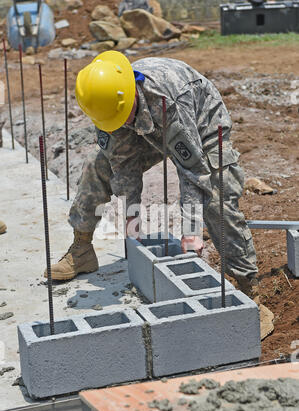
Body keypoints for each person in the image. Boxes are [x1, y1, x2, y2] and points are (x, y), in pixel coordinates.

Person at [45, 51, 274, 339]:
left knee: (216, 197)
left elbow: (192, 171)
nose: (120, 124)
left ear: (128, 97)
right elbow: (124, 168)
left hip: (201, 123)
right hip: (148, 124)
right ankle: (81, 248)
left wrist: (191, 231)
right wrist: (132, 224)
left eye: (122, 117)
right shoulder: (105, 107)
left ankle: (249, 288)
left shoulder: (168, 102)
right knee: (97, 165)